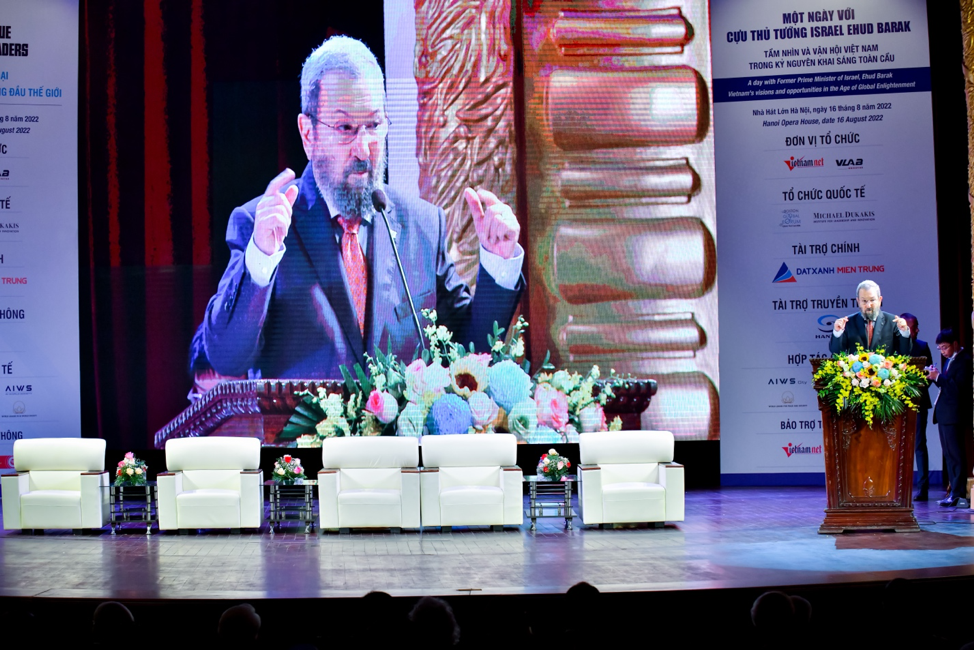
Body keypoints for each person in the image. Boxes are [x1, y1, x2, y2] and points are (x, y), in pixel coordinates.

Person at [199, 36, 524, 379]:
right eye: (345, 128)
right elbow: (227, 357)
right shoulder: (265, 227)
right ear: (307, 134)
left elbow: (470, 360)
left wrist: (498, 263)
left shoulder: (422, 225)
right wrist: (262, 256)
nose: (364, 148)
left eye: (374, 125)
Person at [927, 328, 972, 508]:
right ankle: (953, 491)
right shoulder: (950, 361)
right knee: (949, 456)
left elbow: (956, 389)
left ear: (954, 344)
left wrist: (938, 377)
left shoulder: (964, 361)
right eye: (940, 349)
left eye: (945, 347)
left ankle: (959, 493)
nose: (943, 352)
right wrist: (937, 375)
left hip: (954, 415)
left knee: (955, 455)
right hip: (945, 415)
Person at [899, 313, 933, 500]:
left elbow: (928, 374)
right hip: (898, 404)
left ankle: (923, 488)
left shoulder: (923, 346)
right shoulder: (891, 347)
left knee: (919, 444)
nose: (918, 330)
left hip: (919, 402)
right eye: (914, 327)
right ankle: (898, 487)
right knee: (898, 445)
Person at [829, 280, 912, 356]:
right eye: (864, 301)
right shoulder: (848, 323)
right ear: (858, 301)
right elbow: (837, 353)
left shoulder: (892, 321)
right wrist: (837, 332)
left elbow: (905, 352)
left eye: (872, 300)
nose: (868, 305)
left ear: (880, 300)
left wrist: (904, 332)